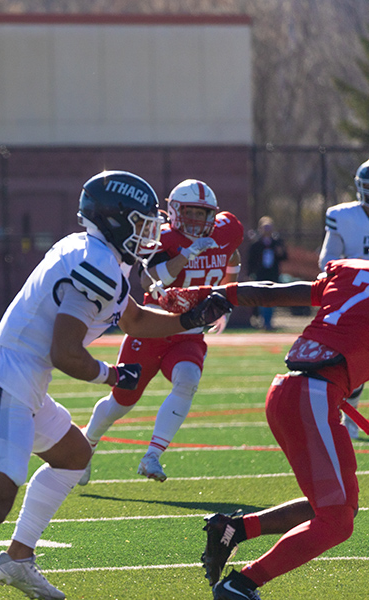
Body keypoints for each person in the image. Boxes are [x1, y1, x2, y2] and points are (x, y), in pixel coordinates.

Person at [0, 171, 232, 600]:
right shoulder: (97, 262)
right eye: (142, 223)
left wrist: (188, 319)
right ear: (116, 219)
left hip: (22, 380)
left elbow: (136, 319)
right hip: (6, 379)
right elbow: (65, 352)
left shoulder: (98, 254)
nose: (149, 233)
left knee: (74, 455)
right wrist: (111, 374)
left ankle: (18, 559)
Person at [161, 259, 369, 599]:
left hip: (292, 393)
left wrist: (214, 293)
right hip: (314, 397)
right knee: (337, 522)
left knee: (333, 507)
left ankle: (235, 529)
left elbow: (273, 292)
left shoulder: (353, 275)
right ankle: (241, 584)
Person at [80, 179, 243, 483]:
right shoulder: (163, 237)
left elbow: (232, 256)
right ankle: (85, 445)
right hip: (153, 327)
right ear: (174, 211)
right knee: (120, 402)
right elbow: (147, 280)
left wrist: (227, 294)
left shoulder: (225, 231)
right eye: (190, 213)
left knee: (188, 380)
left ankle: (152, 455)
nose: (197, 220)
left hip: (191, 329)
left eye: (203, 214)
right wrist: (187, 255)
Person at [317, 159, 369, 440]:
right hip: (355, 298)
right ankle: (348, 423)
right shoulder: (344, 216)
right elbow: (328, 260)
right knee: (355, 366)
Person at [246, 216, 287, 330]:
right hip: (261, 274)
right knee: (262, 297)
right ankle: (263, 321)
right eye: (265, 228)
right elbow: (251, 260)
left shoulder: (277, 243)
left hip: (273, 274)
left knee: (272, 297)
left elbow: (284, 257)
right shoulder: (257, 244)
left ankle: (269, 321)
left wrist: (280, 252)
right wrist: (250, 274)